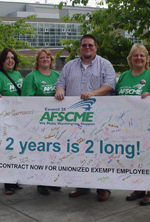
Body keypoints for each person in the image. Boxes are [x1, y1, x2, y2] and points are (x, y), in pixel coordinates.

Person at [55, 34, 116, 201]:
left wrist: (93, 93)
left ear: (95, 47)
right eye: (84, 45)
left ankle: (103, 188)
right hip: (75, 120)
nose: (87, 48)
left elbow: (110, 85)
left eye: (90, 45)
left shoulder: (105, 65)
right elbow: (60, 82)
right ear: (80, 48)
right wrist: (60, 90)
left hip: (99, 119)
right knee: (79, 153)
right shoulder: (69, 66)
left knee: (100, 153)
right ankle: (82, 186)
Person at [116, 43, 150, 206]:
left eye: (141, 56)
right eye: (135, 55)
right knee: (133, 157)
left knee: (149, 157)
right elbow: (117, 99)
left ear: (146, 59)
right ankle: (139, 188)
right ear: (130, 58)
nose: (138, 58)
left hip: (147, 127)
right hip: (127, 127)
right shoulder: (124, 76)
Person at [21, 48, 61, 196]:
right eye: (42, 57)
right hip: (39, 122)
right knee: (41, 152)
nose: (45, 60)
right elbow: (26, 100)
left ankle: (52, 180)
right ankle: (41, 181)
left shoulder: (57, 75)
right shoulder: (32, 77)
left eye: (48, 58)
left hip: (56, 122)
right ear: (37, 60)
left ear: (51, 60)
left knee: (55, 151)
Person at [0, 47, 24, 195]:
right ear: (2, 61)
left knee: (17, 150)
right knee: (7, 150)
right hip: (4, 120)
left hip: (19, 118)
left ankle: (16, 179)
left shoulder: (18, 74)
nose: (10, 60)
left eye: (12, 58)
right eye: (7, 58)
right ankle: (8, 182)